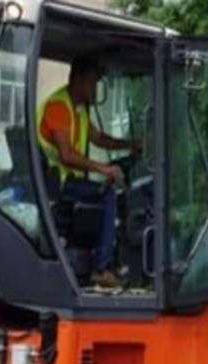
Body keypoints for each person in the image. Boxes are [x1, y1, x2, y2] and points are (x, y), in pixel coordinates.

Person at [38, 54, 140, 288]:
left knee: (107, 192)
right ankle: (101, 268)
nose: (96, 87)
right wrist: (103, 169)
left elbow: (99, 138)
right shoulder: (59, 106)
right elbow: (66, 155)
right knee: (107, 194)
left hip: (65, 182)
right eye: (94, 81)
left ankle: (109, 262)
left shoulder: (78, 109)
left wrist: (130, 144)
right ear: (80, 79)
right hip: (54, 185)